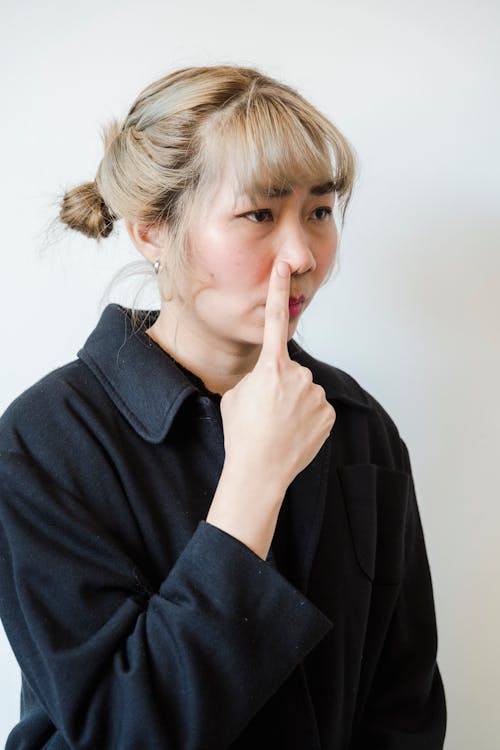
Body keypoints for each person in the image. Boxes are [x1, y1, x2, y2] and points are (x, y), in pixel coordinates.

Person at [0, 64, 446, 749]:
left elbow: (405, 708)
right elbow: (123, 730)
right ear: (151, 231)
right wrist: (253, 485)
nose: (301, 254)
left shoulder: (357, 425)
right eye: (259, 214)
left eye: (320, 211)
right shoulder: (42, 441)